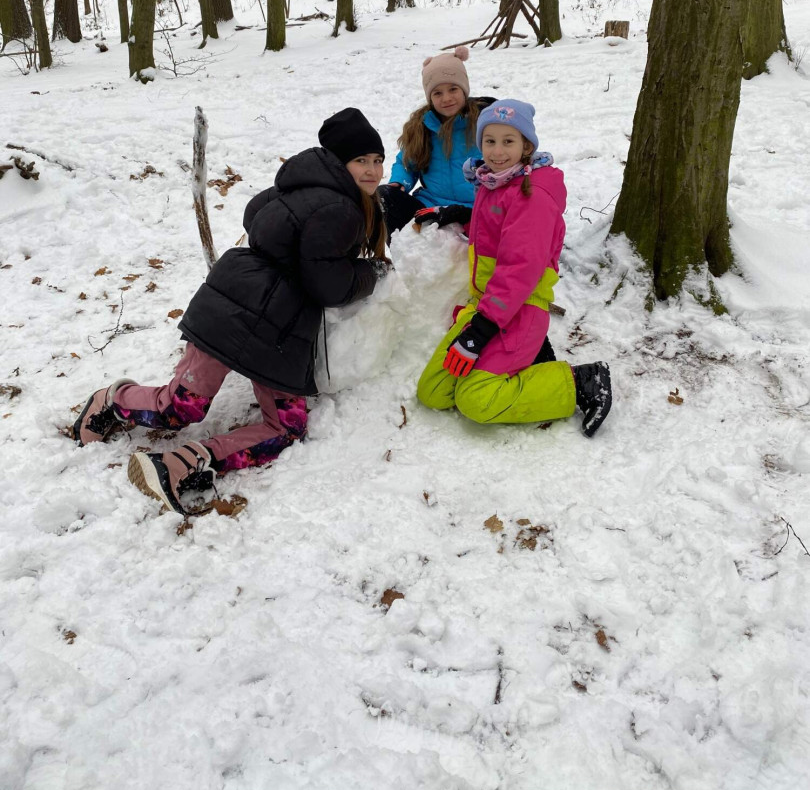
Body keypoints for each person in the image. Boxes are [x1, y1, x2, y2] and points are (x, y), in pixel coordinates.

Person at [72, 108, 390, 513]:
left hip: (272, 325)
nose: (372, 170)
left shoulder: (301, 187)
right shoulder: (340, 208)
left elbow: (254, 213)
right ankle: (110, 401)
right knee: (186, 408)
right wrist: (369, 272)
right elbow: (329, 286)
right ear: (338, 162)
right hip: (234, 314)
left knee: (280, 426)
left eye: (377, 160)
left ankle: (185, 462)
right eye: (361, 160)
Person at [416, 99, 613, 437]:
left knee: (475, 400)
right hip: (488, 307)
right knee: (433, 392)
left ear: (526, 146)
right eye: (489, 140)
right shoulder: (494, 182)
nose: (497, 151)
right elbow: (497, 231)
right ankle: (519, 367)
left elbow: (520, 267)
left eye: (508, 141)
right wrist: (459, 215)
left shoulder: (531, 193)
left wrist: (479, 332)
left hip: (518, 310)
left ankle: (581, 380)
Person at [378, 45, 491, 235]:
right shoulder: (422, 127)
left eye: (453, 89)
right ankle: (403, 249)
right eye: (437, 93)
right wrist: (399, 182)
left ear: (464, 90)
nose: (446, 98)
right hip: (431, 206)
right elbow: (407, 162)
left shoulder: (484, 123)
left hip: (475, 209)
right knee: (384, 197)